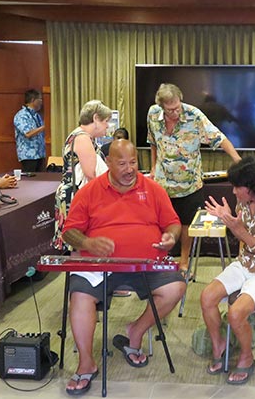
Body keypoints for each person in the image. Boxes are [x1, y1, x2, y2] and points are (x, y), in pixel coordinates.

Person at [61, 139, 186, 396]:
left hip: (146, 263)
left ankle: (135, 332)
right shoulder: (89, 191)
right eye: (122, 164)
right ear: (108, 163)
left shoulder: (152, 189)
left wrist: (171, 237)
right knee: (80, 297)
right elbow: (69, 232)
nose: (130, 169)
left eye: (133, 163)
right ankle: (86, 362)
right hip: (99, 264)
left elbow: (172, 223)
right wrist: (88, 242)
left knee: (176, 287)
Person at [200, 156, 255, 385]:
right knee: (207, 297)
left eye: (236, 187)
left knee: (236, 313)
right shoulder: (243, 202)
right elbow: (244, 237)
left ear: (250, 189)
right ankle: (219, 345)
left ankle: (247, 358)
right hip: (244, 264)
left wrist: (236, 228)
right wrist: (229, 220)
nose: (233, 191)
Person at [146, 83, 241, 271]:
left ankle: (183, 261)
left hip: (189, 184)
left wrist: (237, 158)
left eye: (177, 106)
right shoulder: (152, 114)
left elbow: (218, 137)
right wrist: (153, 167)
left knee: (186, 224)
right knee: (160, 223)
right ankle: (161, 260)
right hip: (162, 183)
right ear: (161, 106)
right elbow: (153, 141)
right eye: (170, 109)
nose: (175, 112)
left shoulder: (194, 115)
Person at [53, 100, 113, 252]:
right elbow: (91, 174)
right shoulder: (82, 138)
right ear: (95, 119)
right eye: (106, 121)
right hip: (76, 194)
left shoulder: (80, 136)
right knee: (76, 243)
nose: (108, 126)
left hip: (74, 192)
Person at [13, 89, 46, 172]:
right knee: (30, 182)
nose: (41, 102)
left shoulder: (37, 115)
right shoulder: (21, 115)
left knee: (41, 181)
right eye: (40, 99)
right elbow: (28, 133)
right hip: (29, 156)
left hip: (40, 154)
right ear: (32, 100)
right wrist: (44, 127)